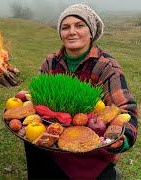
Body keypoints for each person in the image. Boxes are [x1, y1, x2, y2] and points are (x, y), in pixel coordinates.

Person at [25, 3, 138, 179]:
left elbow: (127, 109)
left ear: (91, 32)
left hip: (91, 147)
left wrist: (120, 141)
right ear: (60, 33)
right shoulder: (50, 61)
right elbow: (38, 96)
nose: (71, 31)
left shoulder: (106, 65)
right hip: (48, 141)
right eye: (65, 27)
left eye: (79, 25)